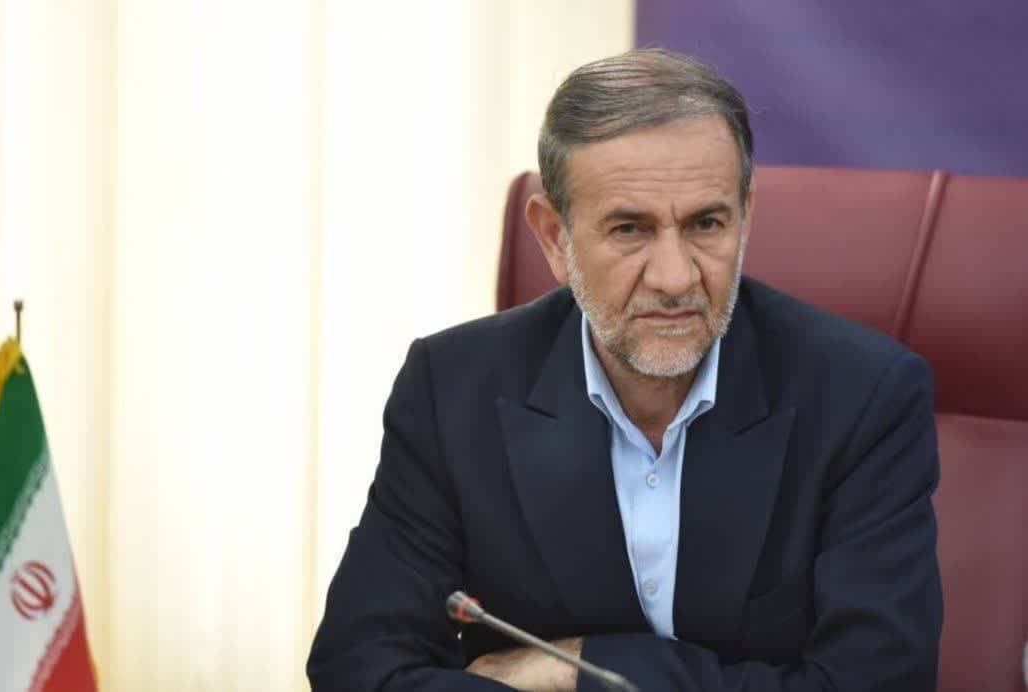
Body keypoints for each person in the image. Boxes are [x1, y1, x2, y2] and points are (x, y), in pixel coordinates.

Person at [307, 49, 942, 691]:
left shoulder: (864, 397)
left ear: (746, 217)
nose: (675, 277)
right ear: (553, 237)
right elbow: (357, 668)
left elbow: (879, 684)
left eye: (706, 224)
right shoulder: (451, 390)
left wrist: (578, 669)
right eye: (630, 229)